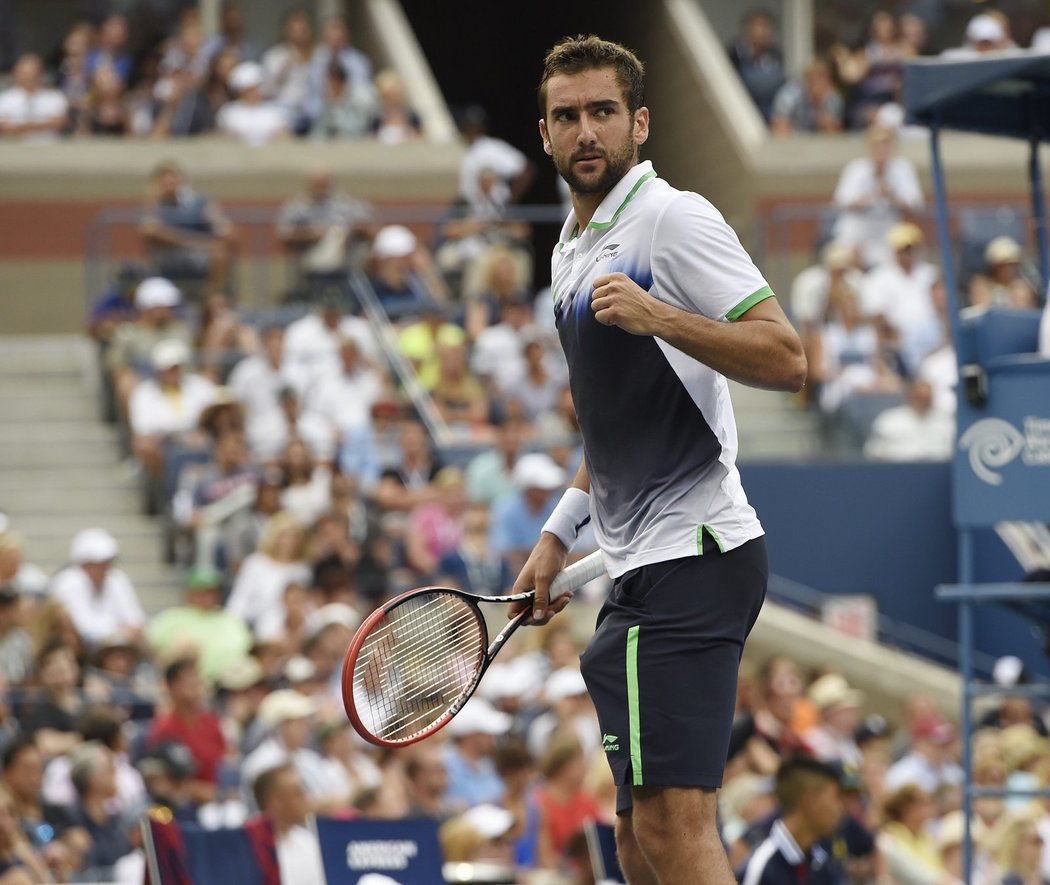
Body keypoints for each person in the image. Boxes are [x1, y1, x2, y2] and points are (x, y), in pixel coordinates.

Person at [515, 35, 806, 884]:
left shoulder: (672, 218)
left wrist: (661, 316)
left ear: (639, 122)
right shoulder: (570, 252)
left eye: (603, 112)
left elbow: (786, 358)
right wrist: (557, 533)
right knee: (639, 838)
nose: (586, 131)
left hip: (696, 556)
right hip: (638, 566)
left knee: (676, 826)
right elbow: (612, 426)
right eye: (567, 116)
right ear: (545, 134)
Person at [736, 756, 845, 884]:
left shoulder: (821, 861)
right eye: (834, 797)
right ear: (811, 801)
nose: (840, 807)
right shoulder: (762, 866)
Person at [830, 124, 924, 271]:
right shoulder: (856, 169)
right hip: (857, 232)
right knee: (842, 258)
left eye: (885, 145)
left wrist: (891, 197)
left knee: (899, 259)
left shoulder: (903, 168)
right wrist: (871, 196)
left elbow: (916, 204)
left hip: (888, 234)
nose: (881, 150)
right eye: (877, 146)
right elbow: (841, 202)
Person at [727, 9, 786, 124]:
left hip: (769, 114)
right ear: (748, 28)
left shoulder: (775, 54)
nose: (764, 32)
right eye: (760, 26)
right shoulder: (735, 53)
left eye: (768, 28)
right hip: (742, 111)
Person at [0, 53, 69, 141]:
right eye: (25, 73)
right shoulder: (4, 99)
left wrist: (21, 127)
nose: (30, 77)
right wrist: (43, 124)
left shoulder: (55, 97)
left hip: (49, 147)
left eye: (33, 72)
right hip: (14, 148)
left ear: (41, 74)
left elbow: (60, 122)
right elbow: (3, 125)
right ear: (15, 73)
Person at [770, 59, 843, 135]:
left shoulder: (833, 99)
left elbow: (835, 135)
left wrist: (821, 109)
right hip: (793, 142)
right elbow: (779, 131)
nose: (818, 85)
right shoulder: (788, 96)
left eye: (822, 79)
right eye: (813, 80)